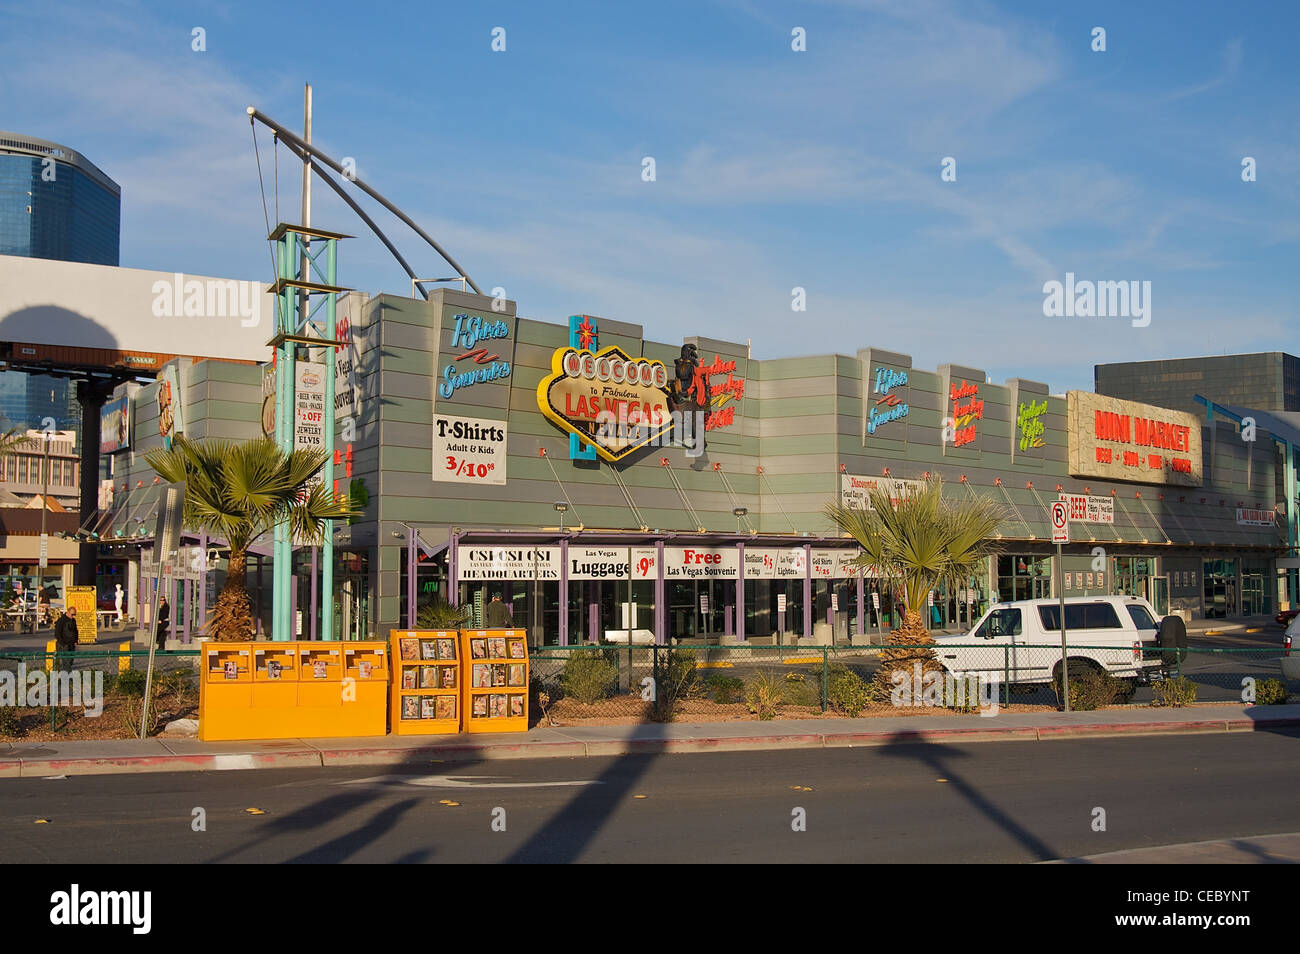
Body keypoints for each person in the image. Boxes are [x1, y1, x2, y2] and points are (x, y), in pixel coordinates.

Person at [52, 605, 78, 672]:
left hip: (72, 644)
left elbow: (75, 631)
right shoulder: (61, 621)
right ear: (68, 612)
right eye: (72, 614)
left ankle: (67, 675)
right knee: (66, 662)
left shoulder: (73, 620)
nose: (73, 616)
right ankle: (67, 677)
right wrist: (62, 643)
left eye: (74, 614)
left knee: (70, 661)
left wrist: (76, 640)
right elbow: (57, 633)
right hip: (64, 644)